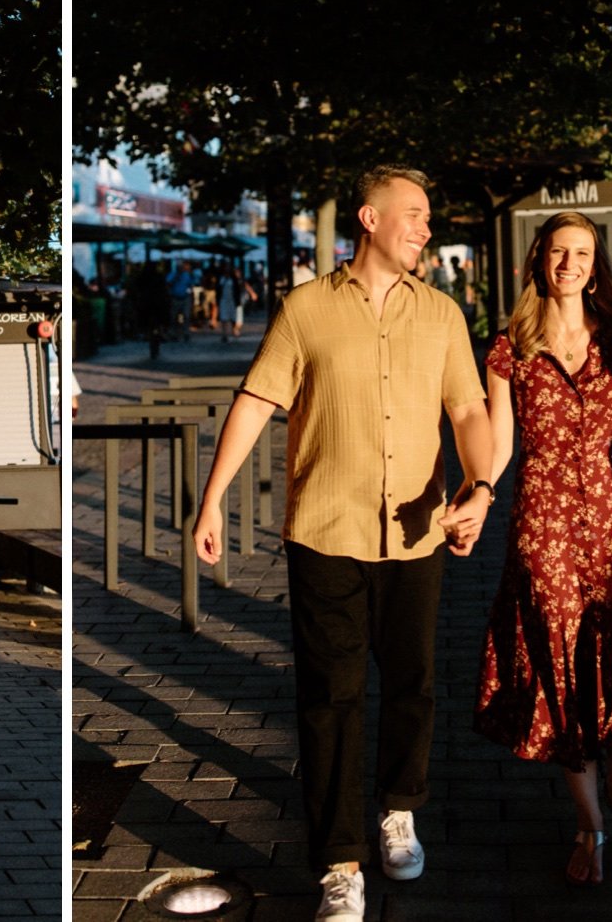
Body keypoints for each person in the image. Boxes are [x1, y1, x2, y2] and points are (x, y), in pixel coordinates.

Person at [191, 165, 493, 922]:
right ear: (369, 217)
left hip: (417, 532)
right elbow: (257, 401)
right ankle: (338, 860)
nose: (426, 228)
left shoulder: (443, 316)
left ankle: (398, 812)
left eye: (428, 217)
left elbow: (468, 411)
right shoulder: (305, 310)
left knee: (413, 686)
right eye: (415, 215)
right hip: (326, 531)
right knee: (329, 699)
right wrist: (213, 499)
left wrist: (481, 487)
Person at [470, 211, 612, 886]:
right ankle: (589, 823)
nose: (569, 262)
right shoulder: (511, 346)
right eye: (559, 251)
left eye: (581, 252)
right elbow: (500, 444)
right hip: (545, 529)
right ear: (540, 260)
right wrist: (477, 491)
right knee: (561, 679)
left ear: (597, 264)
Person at [217, 264, 258, 342]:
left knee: (234, 317)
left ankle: (234, 330)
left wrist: (251, 293)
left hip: (233, 301)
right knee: (224, 318)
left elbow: (242, 287)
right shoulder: (221, 279)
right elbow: (219, 290)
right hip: (224, 300)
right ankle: (225, 334)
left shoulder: (233, 280)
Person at [166, 260, 195, 342]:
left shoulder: (187, 275)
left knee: (186, 316)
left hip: (185, 298)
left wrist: (191, 297)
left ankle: (186, 333)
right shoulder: (172, 275)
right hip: (175, 298)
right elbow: (168, 284)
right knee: (174, 317)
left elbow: (190, 286)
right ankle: (174, 333)